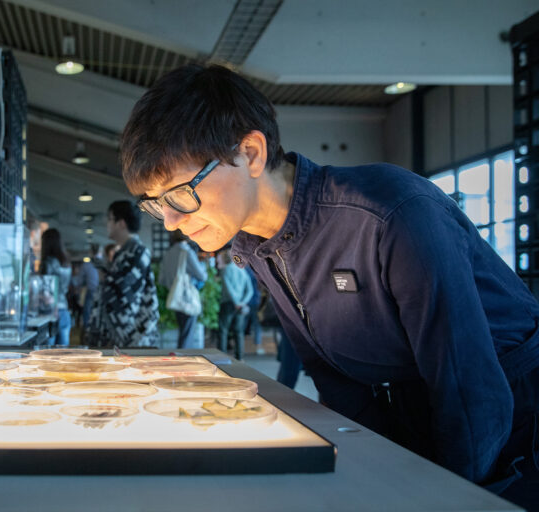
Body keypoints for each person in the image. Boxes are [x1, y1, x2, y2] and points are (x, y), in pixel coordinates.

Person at [119, 63, 539, 505]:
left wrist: (443, 497)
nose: (170, 220)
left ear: (251, 153)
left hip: (512, 419)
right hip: (415, 404)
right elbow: (331, 374)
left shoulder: (387, 213)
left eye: (181, 193)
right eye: (155, 204)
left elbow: (470, 386)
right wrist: (372, 471)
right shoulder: (256, 242)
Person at [87, 201, 159, 347]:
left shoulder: (138, 251)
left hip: (130, 338)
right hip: (123, 337)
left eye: (109, 219)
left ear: (121, 223)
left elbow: (124, 289)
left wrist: (104, 273)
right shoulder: (126, 252)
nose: (107, 224)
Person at [158, 230, 207, 348]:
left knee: (183, 331)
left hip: (175, 296)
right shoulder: (186, 252)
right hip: (186, 297)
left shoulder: (168, 253)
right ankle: (183, 361)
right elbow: (202, 276)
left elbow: (162, 279)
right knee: (187, 334)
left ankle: (181, 359)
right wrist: (203, 264)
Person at [216, 249, 253, 360]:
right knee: (239, 332)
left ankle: (221, 356)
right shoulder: (242, 270)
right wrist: (242, 302)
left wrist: (236, 302)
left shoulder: (225, 270)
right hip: (240, 305)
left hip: (228, 303)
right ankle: (239, 357)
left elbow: (228, 289)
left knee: (223, 330)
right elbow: (250, 290)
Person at [39, 228, 72, 346]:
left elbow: (46, 291)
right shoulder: (66, 262)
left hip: (50, 312)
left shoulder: (48, 262)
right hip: (64, 309)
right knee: (63, 354)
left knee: (48, 355)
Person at [72, 245, 100, 330]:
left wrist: (77, 288)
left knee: (87, 312)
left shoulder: (87, 265)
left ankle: (87, 330)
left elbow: (79, 281)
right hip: (99, 292)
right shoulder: (102, 264)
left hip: (92, 291)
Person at [244, 266, 264, 355]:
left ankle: (241, 347)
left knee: (243, 325)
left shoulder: (244, 269)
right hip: (256, 299)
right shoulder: (258, 270)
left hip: (245, 300)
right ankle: (258, 347)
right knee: (257, 325)